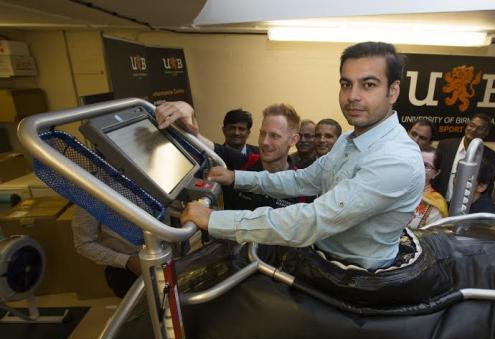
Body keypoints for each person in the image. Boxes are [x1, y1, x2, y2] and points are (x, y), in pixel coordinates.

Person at [176, 41, 424, 270]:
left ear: (393, 91)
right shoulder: (347, 140)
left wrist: (215, 220)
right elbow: (302, 179)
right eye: (346, 84)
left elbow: (313, 220)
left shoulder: (396, 159)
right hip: (322, 256)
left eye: (368, 84)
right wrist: (235, 178)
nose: (352, 96)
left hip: (355, 276)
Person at [157, 101, 311, 211]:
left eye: (274, 136)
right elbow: (196, 140)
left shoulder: (302, 186)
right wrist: (187, 108)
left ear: (293, 140)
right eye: (262, 134)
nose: (264, 142)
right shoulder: (243, 162)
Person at [72, 207, 140, 298]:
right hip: (127, 268)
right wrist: (127, 261)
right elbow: (84, 244)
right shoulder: (91, 200)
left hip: (158, 257)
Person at [431, 113, 495, 200]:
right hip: (440, 202)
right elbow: (435, 176)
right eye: (472, 125)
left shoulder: (491, 157)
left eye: (480, 128)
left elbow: (488, 189)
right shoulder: (445, 145)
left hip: (470, 206)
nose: (474, 130)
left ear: (486, 133)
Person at [408, 119, 437, 183]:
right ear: (408, 133)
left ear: (430, 143)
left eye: (422, 138)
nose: (415, 140)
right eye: (413, 134)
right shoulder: (392, 151)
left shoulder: (431, 163)